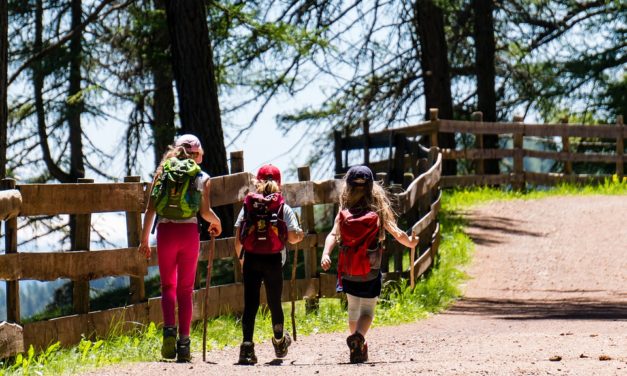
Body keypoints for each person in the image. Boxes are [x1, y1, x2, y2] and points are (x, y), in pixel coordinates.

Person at [320, 165, 418, 364]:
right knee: (367, 311)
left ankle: (358, 346)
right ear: (371, 186)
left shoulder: (344, 209)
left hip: (348, 270)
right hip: (370, 271)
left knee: (353, 308)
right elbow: (396, 233)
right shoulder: (377, 208)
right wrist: (411, 242)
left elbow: (333, 234)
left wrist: (325, 254)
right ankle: (359, 338)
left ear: (347, 186)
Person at [138, 134, 222, 363]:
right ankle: (184, 344)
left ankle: (168, 332)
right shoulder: (202, 177)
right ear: (198, 154)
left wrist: (144, 240)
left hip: (165, 233)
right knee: (185, 290)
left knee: (168, 287)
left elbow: (150, 210)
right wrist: (217, 223)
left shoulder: (162, 172)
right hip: (188, 234)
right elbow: (205, 212)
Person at [234, 164, 304, 365]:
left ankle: (246, 348)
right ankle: (280, 342)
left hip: (252, 259)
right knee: (274, 303)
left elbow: (238, 237)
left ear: (257, 182)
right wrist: (299, 236)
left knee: (251, 304)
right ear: (279, 183)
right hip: (273, 260)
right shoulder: (283, 207)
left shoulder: (248, 206)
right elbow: (291, 237)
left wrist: (241, 260)